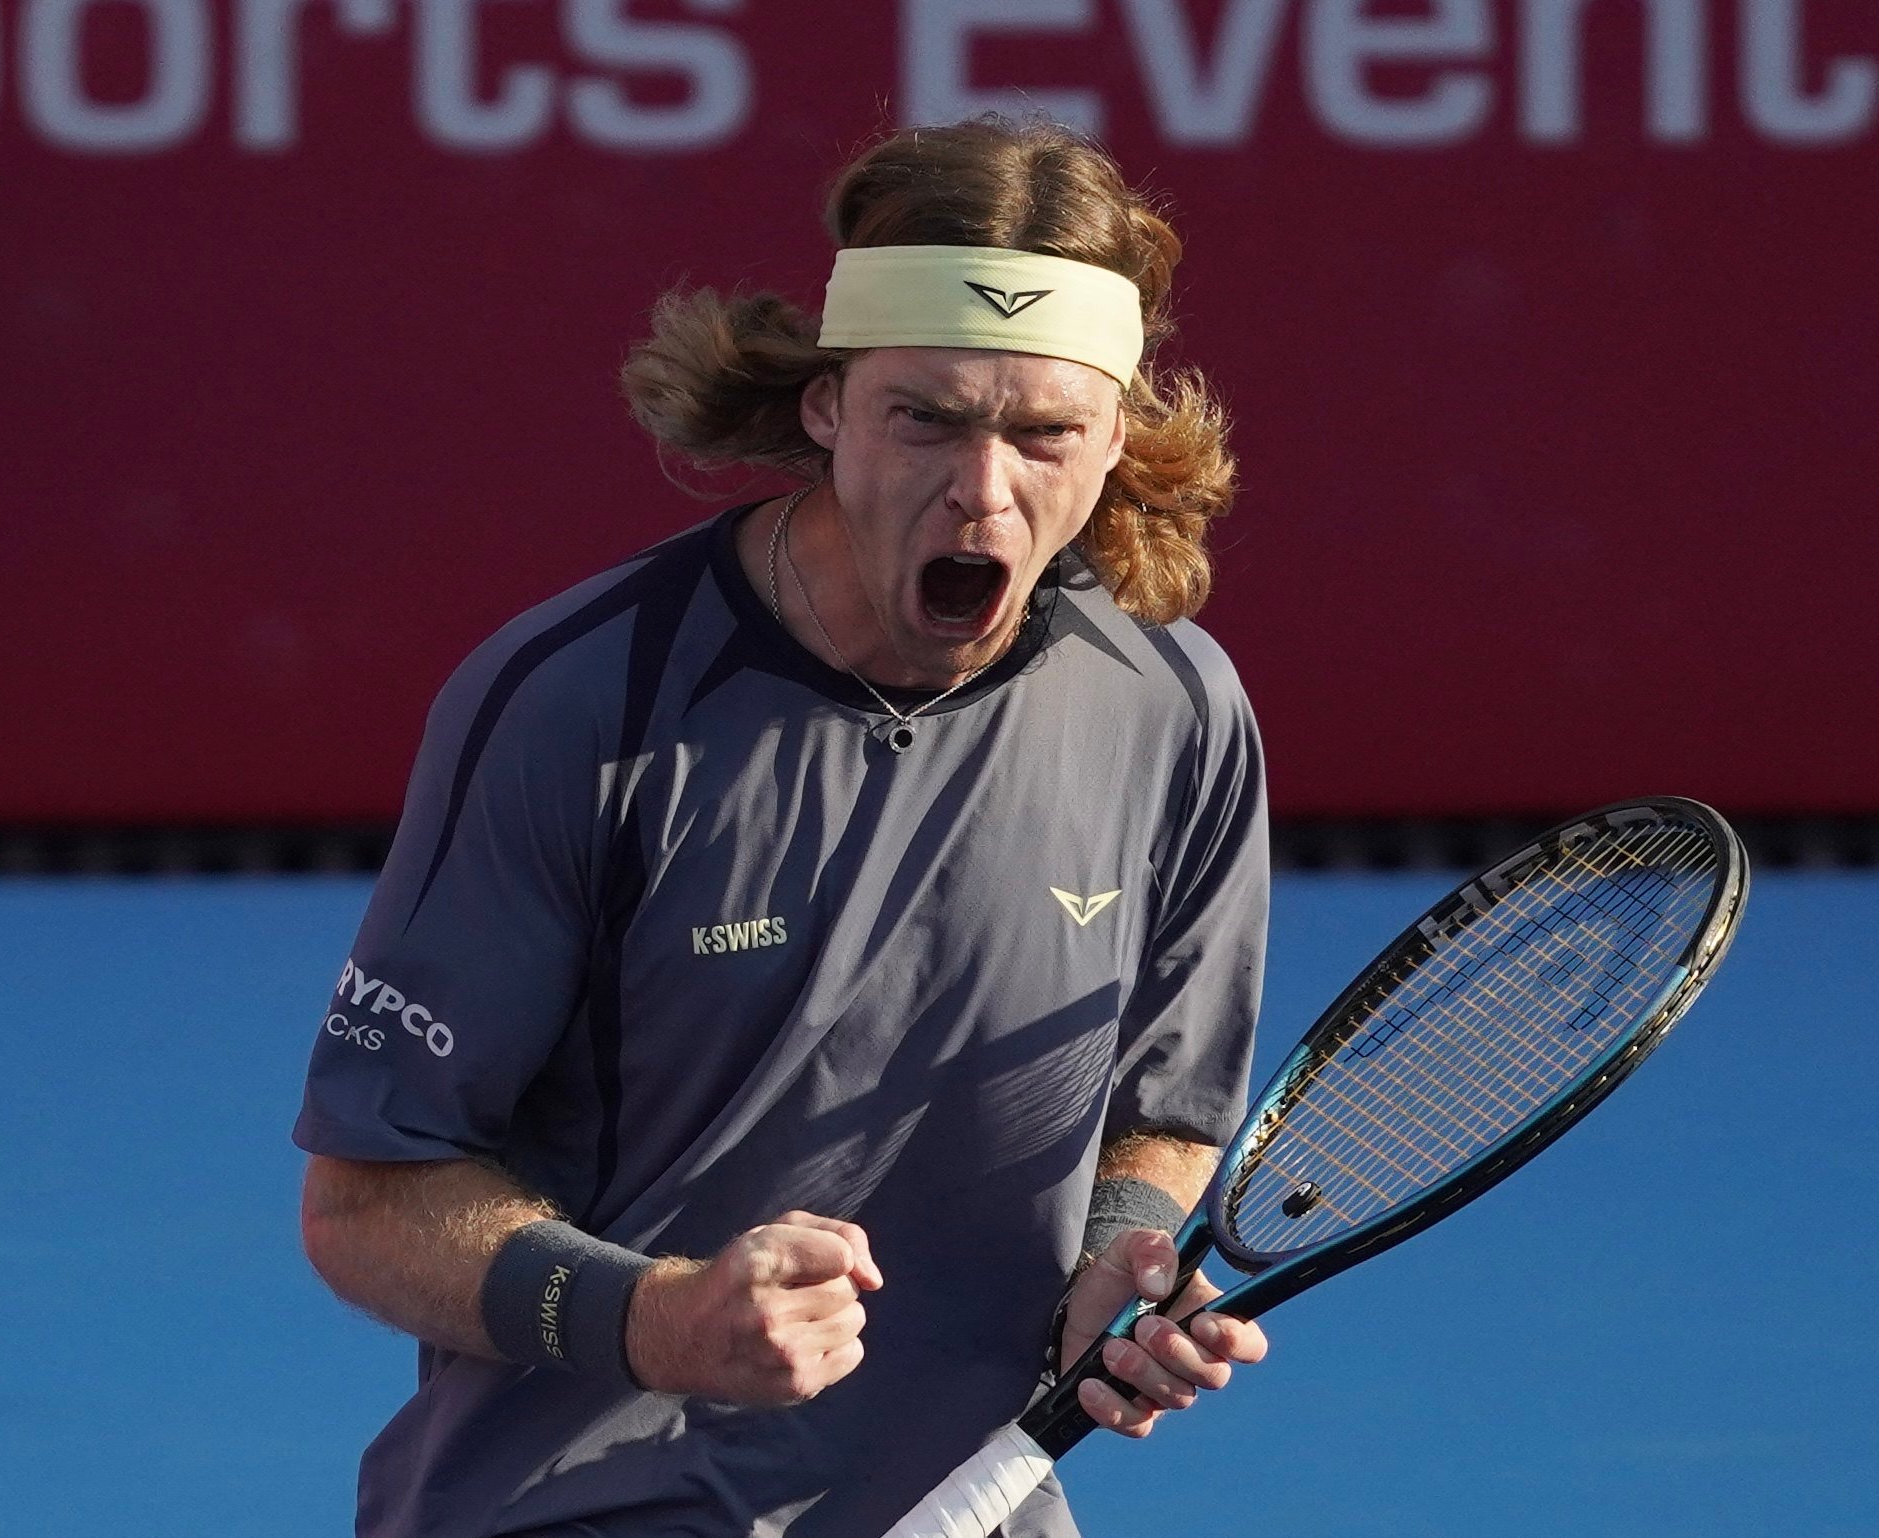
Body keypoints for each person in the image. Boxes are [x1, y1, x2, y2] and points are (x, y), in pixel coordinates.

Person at [293, 115, 1271, 1537]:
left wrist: (1121, 1244)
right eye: (924, 416)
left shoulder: (1176, 709)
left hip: (974, 1502)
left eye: (1046, 432)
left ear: (1119, 434)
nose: (982, 490)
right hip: (581, 1507)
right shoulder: (581, 704)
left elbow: (1163, 1106)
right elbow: (366, 1202)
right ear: (825, 404)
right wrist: (655, 1315)